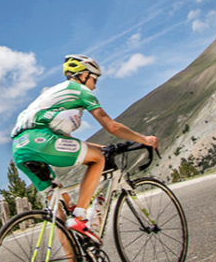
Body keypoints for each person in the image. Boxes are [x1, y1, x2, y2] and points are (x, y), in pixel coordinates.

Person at [10, 54, 158, 244]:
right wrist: (144, 139)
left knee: (61, 214)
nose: (95, 85)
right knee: (97, 159)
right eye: (94, 79)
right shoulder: (80, 91)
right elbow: (112, 126)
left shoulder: (52, 96)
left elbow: (63, 140)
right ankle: (80, 218)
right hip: (41, 140)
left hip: (20, 148)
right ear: (83, 75)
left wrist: (103, 147)